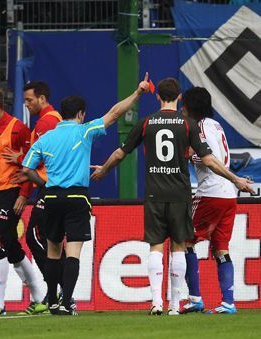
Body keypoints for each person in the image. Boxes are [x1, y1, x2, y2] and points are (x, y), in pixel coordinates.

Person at [90, 78, 254, 315]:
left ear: (159, 97)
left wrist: (104, 170)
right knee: (203, 246)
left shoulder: (149, 123)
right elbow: (209, 158)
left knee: (165, 245)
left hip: (169, 192)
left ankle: (171, 300)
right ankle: (186, 304)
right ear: (177, 98)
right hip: (192, 193)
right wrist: (236, 180)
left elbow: (120, 152)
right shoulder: (195, 125)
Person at [21, 74, 151, 315]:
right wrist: (138, 92)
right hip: (77, 198)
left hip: (51, 198)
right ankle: (67, 301)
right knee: (73, 252)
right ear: (80, 114)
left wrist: (45, 185)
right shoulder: (85, 131)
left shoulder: (45, 138)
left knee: (52, 250)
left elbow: (26, 169)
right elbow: (114, 113)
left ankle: (51, 300)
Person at [0, 86, 46, 316]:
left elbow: (30, 164)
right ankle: (40, 298)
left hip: (11, 192)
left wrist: (24, 193)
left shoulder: (18, 129)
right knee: (11, 245)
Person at [1, 81, 61, 307]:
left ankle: (57, 290)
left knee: (36, 238)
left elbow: (43, 158)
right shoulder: (51, 119)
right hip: (48, 184)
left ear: (42, 99)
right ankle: (57, 293)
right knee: (48, 241)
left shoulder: (46, 122)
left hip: (49, 187)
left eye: (29, 100)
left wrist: (21, 162)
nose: (26, 104)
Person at [180, 87, 239, 314]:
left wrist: (189, 155)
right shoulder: (216, 125)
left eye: (183, 105)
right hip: (229, 195)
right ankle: (228, 302)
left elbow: (209, 158)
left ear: (189, 107)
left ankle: (195, 298)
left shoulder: (200, 127)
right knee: (221, 248)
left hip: (211, 193)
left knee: (186, 241)